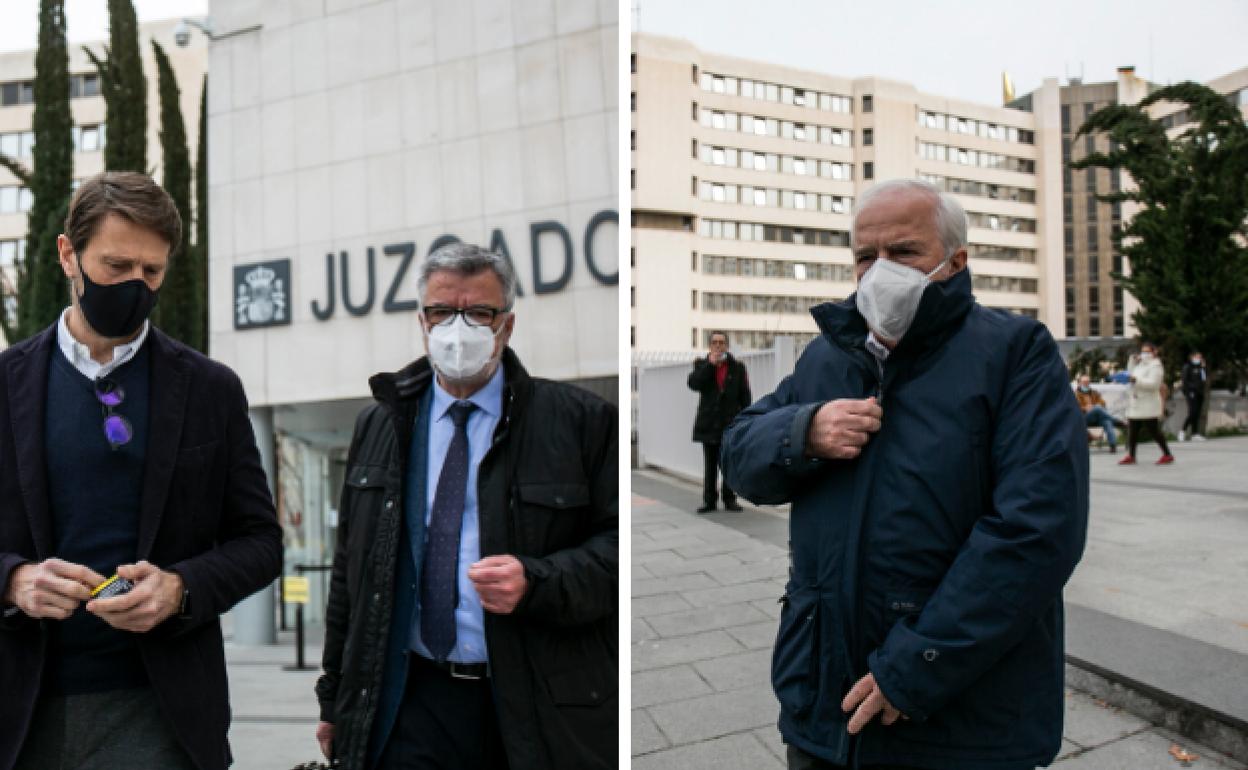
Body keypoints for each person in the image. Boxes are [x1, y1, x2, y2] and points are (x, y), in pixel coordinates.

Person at [721, 179, 1089, 770]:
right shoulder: (827, 358)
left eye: (903, 252)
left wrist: (914, 666)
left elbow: (1037, 531)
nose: (879, 270)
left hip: (960, 725)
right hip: (824, 714)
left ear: (955, 260)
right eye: (866, 256)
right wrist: (803, 432)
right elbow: (739, 456)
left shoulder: (1015, 354)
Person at [0, 172, 283, 770]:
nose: (136, 285)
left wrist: (181, 590)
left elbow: (261, 542)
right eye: (117, 265)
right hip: (20, 709)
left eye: (151, 272)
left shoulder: (209, 388)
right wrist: (13, 580)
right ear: (67, 255)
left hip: (161, 711)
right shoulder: (6, 385)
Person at [314, 244, 617, 770]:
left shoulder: (580, 422)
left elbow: (616, 554)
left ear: (507, 325)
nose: (459, 329)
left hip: (530, 699)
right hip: (410, 697)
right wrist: (335, 698)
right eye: (442, 312)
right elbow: (350, 574)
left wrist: (537, 580)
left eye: (479, 312)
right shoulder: (382, 423)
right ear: (422, 322)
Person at [687, 331, 752, 513]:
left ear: (726, 346)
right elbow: (693, 384)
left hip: (730, 423)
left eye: (721, 342)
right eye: (714, 342)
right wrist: (710, 365)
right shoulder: (701, 364)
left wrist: (746, 418)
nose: (718, 345)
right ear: (710, 345)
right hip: (709, 423)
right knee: (710, 465)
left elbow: (745, 395)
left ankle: (730, 498)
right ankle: (709, 501)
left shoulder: (738, 367)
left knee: (729, 464)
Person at [1120, 342, 1174, 465]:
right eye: (1143, 351)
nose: (1144, 354)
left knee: (1154, 430)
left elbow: (1153, 385)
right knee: (1133, 430)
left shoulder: (1156, 366)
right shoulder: (1141, 365)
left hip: (1148, 402)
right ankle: (1131, 455)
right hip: (1136, 402)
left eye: (1147, 352)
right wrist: (1132, 361)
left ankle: (1167, 454)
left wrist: (1136, 380)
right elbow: (1130, 373)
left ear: (1154, 352)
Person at [1075, 374, 1117, 452]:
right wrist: (1085, 408)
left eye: (1087, 382)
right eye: (1084, 382)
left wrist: (1093, 406)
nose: (1086, 384)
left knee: (1107, 421)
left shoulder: (1094, 392)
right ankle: (1116, 421)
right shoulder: (1075, 394)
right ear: (1079, 383)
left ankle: (1113, 445)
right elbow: (1074, 408)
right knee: (1097, 408)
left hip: (1097, 416)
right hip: (1084, 418)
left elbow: (1103, 403)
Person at [1179, 351, 1208, 441]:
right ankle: (1182, 431)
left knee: (1197, 413)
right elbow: (1184, 380)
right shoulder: (1188, 367)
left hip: (1199, 392)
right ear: (1192, 357)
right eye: (1197, 357)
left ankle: (1195, 434)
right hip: (1191, 392)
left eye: (1200, 357)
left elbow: (1204, 379)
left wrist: (1203, 368)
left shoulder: (1200, 368)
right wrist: (1189, 390)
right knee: (1193, 412)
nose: (1199, 359)